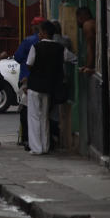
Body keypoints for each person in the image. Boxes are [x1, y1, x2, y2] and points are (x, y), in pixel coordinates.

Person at [26, 20, 78, 155]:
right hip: (49, 88)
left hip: (35, 85)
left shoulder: (36, 47)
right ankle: (45, 146)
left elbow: (29, 64)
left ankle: (36, 148)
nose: (38, 34)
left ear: (43, 33)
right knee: (44, 117)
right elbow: (73, 59)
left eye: (39, 31)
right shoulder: (60, 48)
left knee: (34, 117)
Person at [77, 7, 97, 74]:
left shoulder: (87, 24)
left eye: (78, 17)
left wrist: (89, 67)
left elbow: (91, 47)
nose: (77, 21)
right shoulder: (94, 23)